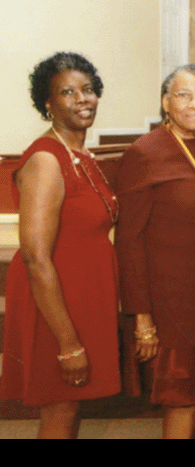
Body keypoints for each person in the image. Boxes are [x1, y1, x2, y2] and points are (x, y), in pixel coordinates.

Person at [0, 52, 120, 438]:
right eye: (68, 92)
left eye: (88, 90)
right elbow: (36, 257)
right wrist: (68, 343)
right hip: (53, 303)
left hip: (80, 297)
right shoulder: (46, 160)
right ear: (48, 104)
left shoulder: (81, 155)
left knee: (70, 406)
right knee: (60, 408)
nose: (82, 99)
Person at [114, 64, 195, 439]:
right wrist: (142, 317)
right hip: (168, 300)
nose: (194, 104)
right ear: (166, 103)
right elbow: (129, 240)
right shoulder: (143, 153)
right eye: (183, 96)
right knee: (182, 395)